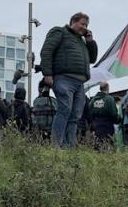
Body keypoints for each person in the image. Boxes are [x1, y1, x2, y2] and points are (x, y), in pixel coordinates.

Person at [39, 12, 99, 148]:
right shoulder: (60, 32)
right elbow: (47, 51)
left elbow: (93, 59)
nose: (84, 27)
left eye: (86, 25)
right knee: (65, 109)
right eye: (82, 24)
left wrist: (90, 42)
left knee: (76, 114)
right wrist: (47, 73)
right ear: (73, 22)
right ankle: (56, 145)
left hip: (80, 82)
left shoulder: (82, 41)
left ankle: (69, 146)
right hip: (63, 78)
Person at [87, 81, 120, 148]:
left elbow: (89, 114)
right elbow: (114, 114)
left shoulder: (93, 100)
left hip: (96, 127)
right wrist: (119, 119)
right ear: (108, 88)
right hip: (107, 127)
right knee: (108, 146)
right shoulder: (109, 99)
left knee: (98, 146)